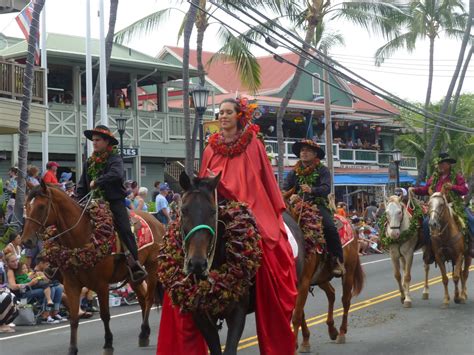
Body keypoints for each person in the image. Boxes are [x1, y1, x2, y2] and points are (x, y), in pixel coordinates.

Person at [157, 98, 297, 355]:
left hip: (250, 204)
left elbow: (261, 178)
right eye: (220, 112)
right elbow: (205, 181)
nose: (223, 116)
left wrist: (248, 203)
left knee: (268, 249)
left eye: (228, 112)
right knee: (179, 243)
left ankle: (270, 299)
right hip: (216, 204)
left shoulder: (253, 143)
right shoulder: (211, 146)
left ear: (238, 116)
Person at [76, 125, 147, 283]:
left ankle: (135, 264)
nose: (94, 143)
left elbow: (116, 174)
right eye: (93, 140)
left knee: (124, 229)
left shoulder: (115, 159)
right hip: (93, 203)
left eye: (97, 140)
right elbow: (82, 185)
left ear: (107, 141)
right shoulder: (90, 162)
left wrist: (98, 181)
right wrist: (77, 200)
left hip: (113, 202)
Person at [283, 139, 345, 277]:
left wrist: (311, 190)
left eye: (307, 150)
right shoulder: (294, 172)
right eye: (302, 150)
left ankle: (337, 260)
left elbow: (326, 188)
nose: (304, 153)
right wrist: (289, 196)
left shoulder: (322, 170)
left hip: (318, 205)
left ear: (315, 154)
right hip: (297, 205)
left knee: (329, 227)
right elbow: (285, 188)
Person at [409, 152, 473, 262]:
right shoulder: (434, 178)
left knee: (470, 219)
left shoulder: (456, 176)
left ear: (449, 165)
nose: (440, 166)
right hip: (437, 206)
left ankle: (471, 245)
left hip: (454, 204)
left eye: (443, 163)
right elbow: (426, 190)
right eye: (439, 164)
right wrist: (415, 190)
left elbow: (465, 190)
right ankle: (430, 249)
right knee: (425, 223)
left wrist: (452, 187)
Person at [5, 253, 59, 324]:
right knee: (48, 290)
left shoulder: (19, 267)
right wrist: (29, 283)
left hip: (28, 290)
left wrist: (33, 276)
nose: (16, 263)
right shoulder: (10, 271)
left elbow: (26, 275)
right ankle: (45, 315)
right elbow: (13, 286)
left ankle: (53, 313)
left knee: (57, 289)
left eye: (16, 260)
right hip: (21, 295)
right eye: (13, 261)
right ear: (7, 263)